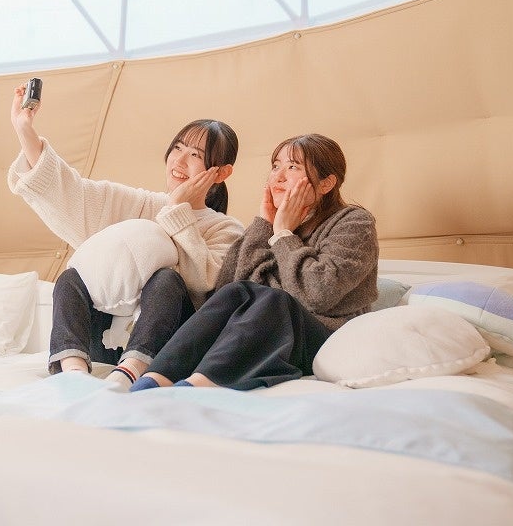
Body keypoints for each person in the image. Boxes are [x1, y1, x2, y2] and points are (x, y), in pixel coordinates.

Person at [6, 83, 244, 390]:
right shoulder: (140, 204)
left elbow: (205, 285)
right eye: (177, 148)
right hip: (102, 344)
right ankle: (72, 373)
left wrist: (177, 210)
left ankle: (130, 373)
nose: (180, 161)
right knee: (71, 276)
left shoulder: (227, 229)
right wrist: (24, 129)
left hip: (163, 352)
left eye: (195, 154)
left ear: (221, 173)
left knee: (166, 279)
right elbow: (73, 195)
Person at [130, 133, 379, 391]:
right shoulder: (270, 225)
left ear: (326, 183)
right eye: (276, 166)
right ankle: (156, 377)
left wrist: (283, 234)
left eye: (293, 167)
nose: (278, 177)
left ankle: (201, 385)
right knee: (242, 292)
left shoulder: (354, 222)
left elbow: (318, 293)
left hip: (323, 339)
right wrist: (264, 224)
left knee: (273, 299)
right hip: (271, 333)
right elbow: (229, 290)